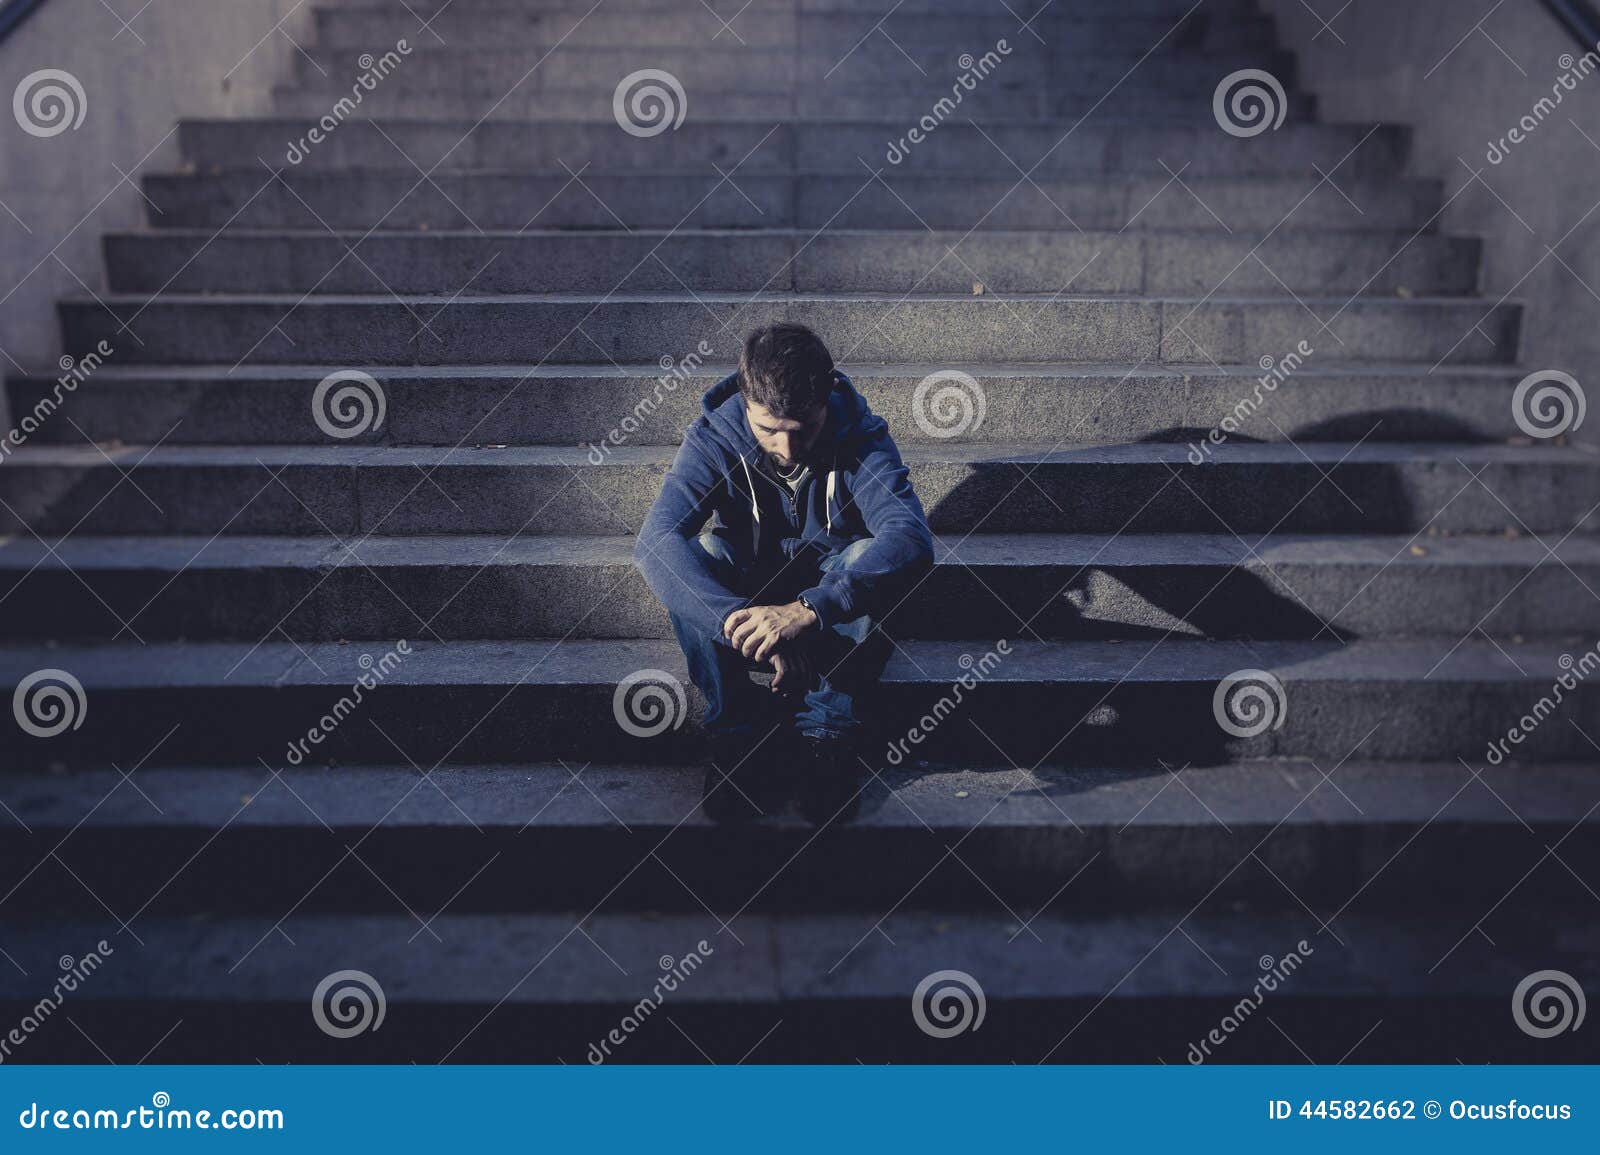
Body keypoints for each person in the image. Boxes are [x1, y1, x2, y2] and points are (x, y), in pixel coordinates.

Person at [634, 323, 934, 824]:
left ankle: (827, 736)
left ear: (827, 395)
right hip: (751, 589)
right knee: (702, 550)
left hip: (827, 589)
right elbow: (655, 542)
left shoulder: (861, 434)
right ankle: (737, 735)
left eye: (802, 429)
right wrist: (747, 627)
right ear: (745, 398)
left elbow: (910, 538)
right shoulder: (715, 435)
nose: (786, 449)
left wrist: (809, 610)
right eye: (768, 429)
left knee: (867, 556)